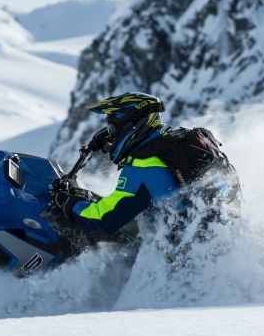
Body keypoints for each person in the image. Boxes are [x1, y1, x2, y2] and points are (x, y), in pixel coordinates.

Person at [51, 92, 240, 236]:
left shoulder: (144, 169)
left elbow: (105, 219)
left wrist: (69, 204)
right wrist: (105, 136)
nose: (110, 136)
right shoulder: (170, 145)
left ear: (132, 126)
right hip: (207, 236)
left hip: (180, 257)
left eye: (112, 129)